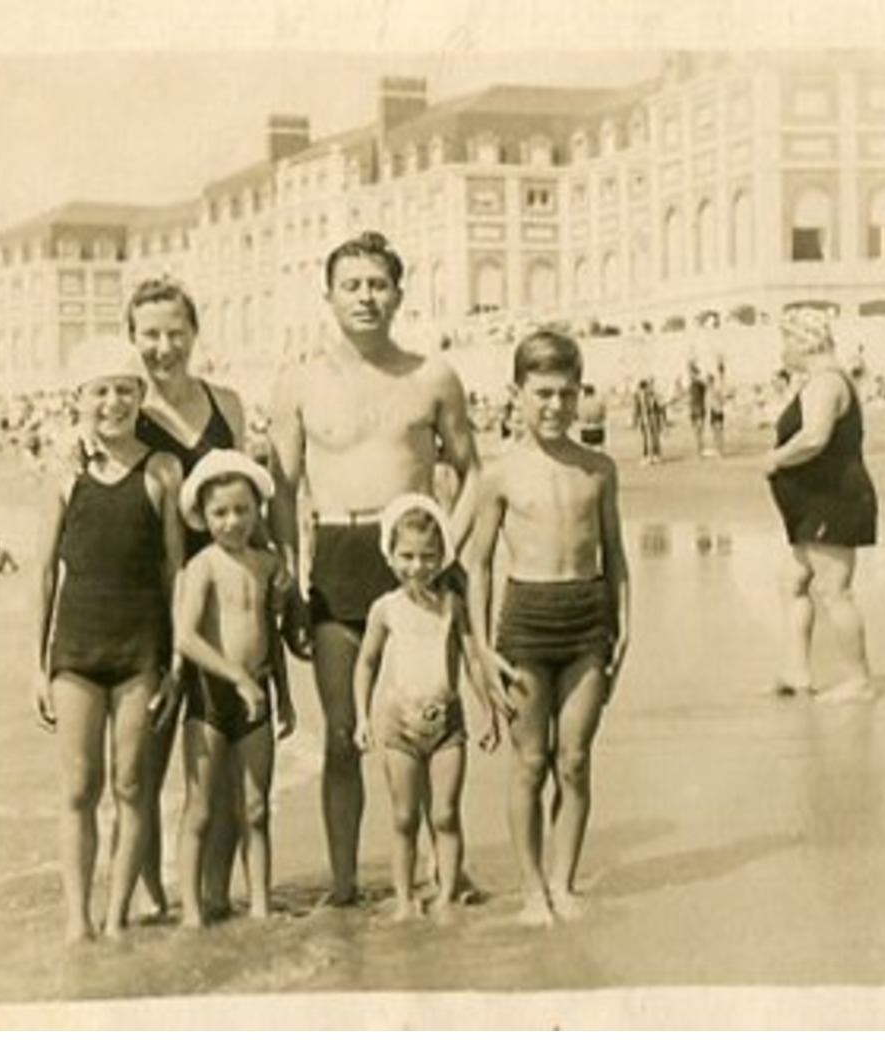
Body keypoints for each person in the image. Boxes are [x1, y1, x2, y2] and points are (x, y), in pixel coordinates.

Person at [269, 231, 480, 907]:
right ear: (327, 295)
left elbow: (471, 472)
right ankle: (342, 882)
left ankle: (432, 871)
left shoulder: (431, 375)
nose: (366, 296)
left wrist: (447, 547)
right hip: (337, 556)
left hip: (415, 563)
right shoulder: (298, 381)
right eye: (351, 285)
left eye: (377, 284)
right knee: (340, 733)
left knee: (425, 716)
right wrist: (289, 578)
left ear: (398, 292)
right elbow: (282, 490)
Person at [464, 330, 630, 925]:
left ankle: (564, 882)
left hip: (588, 619)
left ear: (580, 392)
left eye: (566, 393)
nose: (555, 406)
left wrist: (624, 629)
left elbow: (615, 557)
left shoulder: (599, 470)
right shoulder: (500, 476)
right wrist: (482, 648)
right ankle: (532, 889)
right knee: (530, 762)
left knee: (576, 760)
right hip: (526, 623)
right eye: (541, 394)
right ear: (516, 395)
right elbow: (478, 565)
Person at [30, 336, 184, 944]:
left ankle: (117, 917)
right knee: (78, 787)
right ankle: (78, 918)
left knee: (131, 786)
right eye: (100, 392)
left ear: (141, 397)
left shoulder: (162, 471)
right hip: (75, 650)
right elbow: (43, 572)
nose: (113, 402)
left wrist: (172, 660)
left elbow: (175, 570)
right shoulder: (65, 475)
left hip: (140, 650)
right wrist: (34, 666)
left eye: (125, 390)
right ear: (80, 400)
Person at [120, 276, 253, 925]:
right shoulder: (125, 412)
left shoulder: (226, 402)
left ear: (195, 333)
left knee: (220, 758)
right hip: (147, 600)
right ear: (131, 340)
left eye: (176, 332)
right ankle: (150, 895)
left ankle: (215, 893)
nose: (163, 347)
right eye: (149, 334)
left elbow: (255, 496)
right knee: (142, 764)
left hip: (225, 601)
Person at [353, 495, 499, 921]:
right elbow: (366, 663)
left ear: (443, 557)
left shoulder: (453, 606)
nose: (417, 566)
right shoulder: (385, 609)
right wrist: (362, 716)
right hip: (398, 726)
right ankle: (404, 900)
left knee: (446, 814)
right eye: (407, 556)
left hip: (448, 724)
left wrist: (489, 709)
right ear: (390, 555)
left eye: (427, 557)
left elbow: (472, 660)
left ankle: (447, 896)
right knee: (403, 818)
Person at [173, 450, 296, 927]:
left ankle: (261, 907)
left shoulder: (265, 565)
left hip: (259, 694)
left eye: (242, 509)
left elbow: (272, 633)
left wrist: (283, 695)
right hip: (210, 697)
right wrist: (239, 678)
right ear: (202, 517)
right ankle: (191, 911)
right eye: (220, 512)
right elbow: (186, 637)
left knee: (256, 807)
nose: (232, 521)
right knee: (200, 809)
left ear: (257, 510)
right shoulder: (202, 565)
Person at [760, 307, 878, 705]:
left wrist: (775, 459)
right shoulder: (818, 380)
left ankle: (860, 680)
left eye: (784, 342)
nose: (781, 352)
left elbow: (814, 437)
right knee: (791, 581)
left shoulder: (827, 381)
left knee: (835, 592)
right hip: (814, 504)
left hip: (834, 500)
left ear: (800, 341)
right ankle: (796, 670)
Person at [686, 362, 709, 457]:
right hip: (693, 409)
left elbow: (705, 391)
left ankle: (700, 450)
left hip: (699, 409)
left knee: (699, 430)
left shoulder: (700, 384)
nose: (691, 375)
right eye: (690, 373)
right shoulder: (691, 385)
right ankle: (699, 450)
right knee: (696, 431)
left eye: (692, 373)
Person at [575, 383, 607, 449]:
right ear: (593, 392)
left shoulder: (580, 403)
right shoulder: (599, 402)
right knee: (599, 452)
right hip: (597, 429)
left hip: (585, 430)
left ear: (584, 393)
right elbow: (603, 416)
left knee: (587, 452)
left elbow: (576, 417)